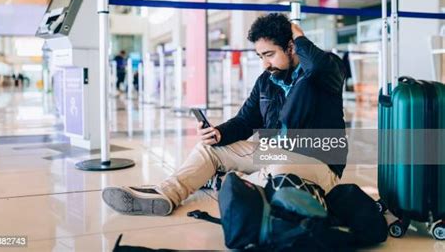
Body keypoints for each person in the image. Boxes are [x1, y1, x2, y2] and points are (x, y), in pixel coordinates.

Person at [102, 13, 347, 216]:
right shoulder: (267, 81)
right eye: (260, 56)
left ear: (292, 47)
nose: (264, 64)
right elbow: (246, 120)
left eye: (269, 54)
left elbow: (315, 66)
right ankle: (166, 194)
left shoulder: (327, 68)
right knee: (210, 150)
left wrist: (298, 34)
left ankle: (237, 183)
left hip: (319, 162)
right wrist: (219, 133)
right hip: (274, 153)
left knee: (278, 167)